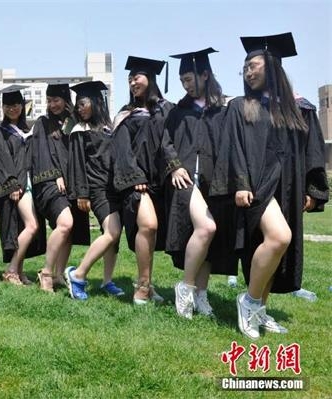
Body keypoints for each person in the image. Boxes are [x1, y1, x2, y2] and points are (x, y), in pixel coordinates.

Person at [210, 32, 329, 339]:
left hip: (287, 187)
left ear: (273, 66)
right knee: (279, 237)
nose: (248, 71)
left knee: (274, 253)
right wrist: (240, 183)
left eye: (254, 65)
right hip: (257, 188)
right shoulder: (239, 107)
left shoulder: (298, 107)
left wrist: (312, 191)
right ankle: (248, 301)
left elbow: (311, 151)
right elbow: (232, 146)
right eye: (245, 67)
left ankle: (260, 310)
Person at [165, 48, 236, 319]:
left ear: (205, 75)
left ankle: (201, 295)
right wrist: (174, 166)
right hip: (184, 181)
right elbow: (165, 143)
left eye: (190, 80)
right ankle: (185, 287)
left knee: (209, 239)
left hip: (212, 180)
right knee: (206, 228)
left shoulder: (222, 109)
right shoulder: (178, 111)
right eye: (183, 81)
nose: (186, 85)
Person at [112, 56, 187, 304]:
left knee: (154, 234)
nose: (133, 82)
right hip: (137, 182)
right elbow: (122, 151)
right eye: (131, 78)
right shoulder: (126, 114)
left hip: (160, 183)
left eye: (138, 77)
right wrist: (135, 178)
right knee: (149, 226)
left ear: (150, 79)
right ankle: (142, 287)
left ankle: (149, 284)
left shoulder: (166, 109)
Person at [63, 81, 125, 301]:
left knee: (113, 238)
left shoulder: (108, 128)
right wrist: (82, 193)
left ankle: (107, 281)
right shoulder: (80, 130)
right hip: (97, 188)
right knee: (112, 232)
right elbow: (76, 163)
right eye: (78, 105)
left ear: (97, 102)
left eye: (83, 104)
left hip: (114, 187)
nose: (79, 109)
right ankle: (78, 275)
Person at [31, 83, 90, 293]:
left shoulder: (74, 122)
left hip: (72, 182)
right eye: (49, 100)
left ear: (66, 99)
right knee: (65, 223)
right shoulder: (42, 123)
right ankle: (46, 272)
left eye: (56, 100)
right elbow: (39, 153)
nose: (52, 104)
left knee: (70, 231)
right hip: (49, 181)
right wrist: (55, 174)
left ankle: (59, 274)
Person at [0, 85, 44, 286]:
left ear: (22, 106)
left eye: (16, 105)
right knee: (32, 225)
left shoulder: (26, 130)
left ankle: (19, 271)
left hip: (29, 182)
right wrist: (12, 184)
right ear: (3, 108)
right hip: (18, 185)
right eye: (8, 105)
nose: (13, 108)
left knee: (24, 226)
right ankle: (11, 269)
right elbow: (0, 160)